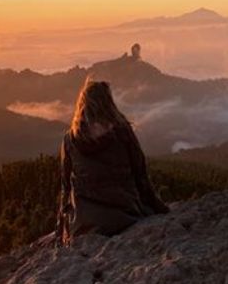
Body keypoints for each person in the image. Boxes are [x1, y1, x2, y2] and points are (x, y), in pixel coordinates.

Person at [55, 77, 169, 244]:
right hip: (125, 215)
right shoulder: (122, 132)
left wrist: (61, 231)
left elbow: (65, 188)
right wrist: (161, 209)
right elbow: (141, 177)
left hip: (84, 225)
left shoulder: (70, 140)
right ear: (109, 103)